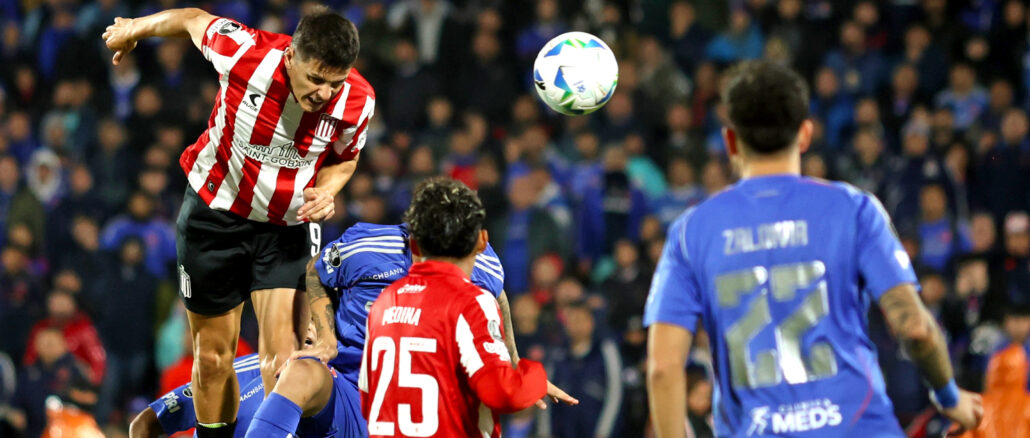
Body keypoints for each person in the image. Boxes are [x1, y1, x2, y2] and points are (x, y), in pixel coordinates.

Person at [644, 61, 983, 438]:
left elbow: (663, 367)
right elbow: (916, 327)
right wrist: (949, 396)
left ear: (730, 142)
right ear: (805, 135)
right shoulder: (854, 209)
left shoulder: (691, 231)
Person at [103, 5, 375, 437]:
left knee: (282, 357)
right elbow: (192, 19)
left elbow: (347, 158)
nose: (324, 93)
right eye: (316, 79)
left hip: (286, 228)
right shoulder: (246, 52)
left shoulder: (358, 100)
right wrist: (136, 28)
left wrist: (328, 190)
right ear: (291, 57)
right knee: (211, 359)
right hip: (213, 220)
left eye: (334, 82)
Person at [360, 178, 549, 437]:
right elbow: (504, 393)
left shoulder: (383, 303)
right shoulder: (472, 302)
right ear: (482, 242)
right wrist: (533, 375)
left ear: (414, 244)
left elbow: (368, 397)